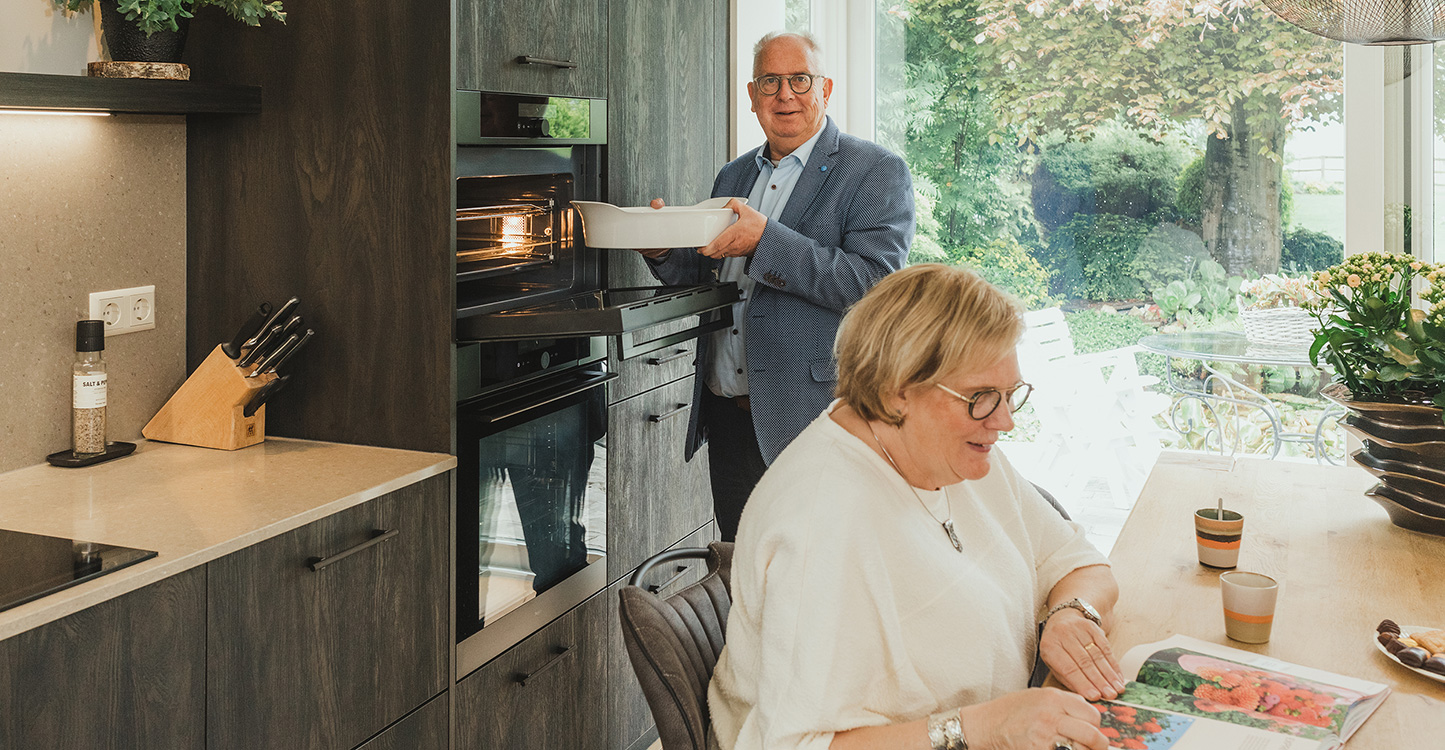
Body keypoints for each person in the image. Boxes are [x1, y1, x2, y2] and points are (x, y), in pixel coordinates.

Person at [708, 264, 1125, 750]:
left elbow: (1081, 563)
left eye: (1011, 395)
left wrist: (1073, 615)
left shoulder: (948, 450)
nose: (1006, 421)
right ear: (897, 390)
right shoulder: (822, 523)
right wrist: (984, 729)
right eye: (982, 397)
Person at [635, 31, 914, 542]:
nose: (785, 94)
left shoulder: (875, 171)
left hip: (813, 415)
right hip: (728, 413)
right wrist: (660, 250)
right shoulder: (734, 174)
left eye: (799, 79)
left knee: (819, 579)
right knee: (743, 575)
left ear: (825, 88)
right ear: (752, 95)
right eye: (770, 81)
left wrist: (767, 240)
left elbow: (875, 287)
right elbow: (707, 275)